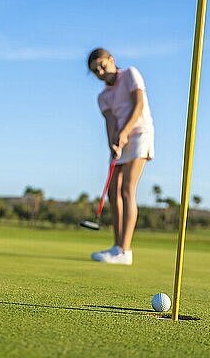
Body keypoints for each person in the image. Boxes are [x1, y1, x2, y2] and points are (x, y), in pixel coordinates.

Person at [87, 48, 155, 265]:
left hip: (139, 135)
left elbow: (139, 105)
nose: (99, 71)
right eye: (95, 70)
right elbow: (109, 122)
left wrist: (124, 133)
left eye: (101, 65)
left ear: (111, 60)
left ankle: (125, 251)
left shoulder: (131, 74)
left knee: (127, 189)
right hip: (120, 140)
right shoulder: (103, 97)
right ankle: (117, 247)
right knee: (113, 192)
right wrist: (112, 143)